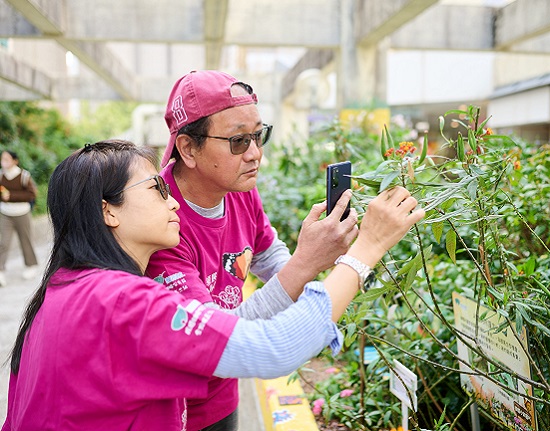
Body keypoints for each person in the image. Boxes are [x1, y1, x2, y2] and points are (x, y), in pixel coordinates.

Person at [2, 139, 424, 430]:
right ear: (108, 211)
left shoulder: (65, 287)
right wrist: (366, 249)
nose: (172, 203)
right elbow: (273, 346)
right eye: (156, 189)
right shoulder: (123, 302)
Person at [146, 70, 359, 430]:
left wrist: (305, 270)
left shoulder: (239, 188)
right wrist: (305, 264)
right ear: (187, 148)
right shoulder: (159, 223)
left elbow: (263, 250)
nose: (255, 154)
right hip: (175, 410)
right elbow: (217, 338)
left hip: (223, 394)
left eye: (259, 136)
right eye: (238, 141)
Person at [0, 150, 38, 287]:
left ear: (15, 161)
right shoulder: (1, 175)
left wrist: (11, 196)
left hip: (22, 213)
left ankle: (31, 265)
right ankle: (1, 271)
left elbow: (31, 194)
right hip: (5, 214)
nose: (3, 161)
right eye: (2, 158)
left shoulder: (23, 176)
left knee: (26, 240)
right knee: (3, 242)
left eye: (7, 159)